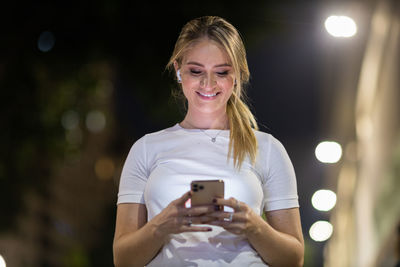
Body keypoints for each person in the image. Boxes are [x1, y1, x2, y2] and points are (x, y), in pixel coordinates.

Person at [113, 16, 304, 267]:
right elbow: (122, 259)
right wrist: (162, 225)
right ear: (177, 70)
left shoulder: (267, 149)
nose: (208, 84)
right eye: (196, 71)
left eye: (221, 72)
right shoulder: (146, 149)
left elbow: (293, 258)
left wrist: (254, 226)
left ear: (237, 75)